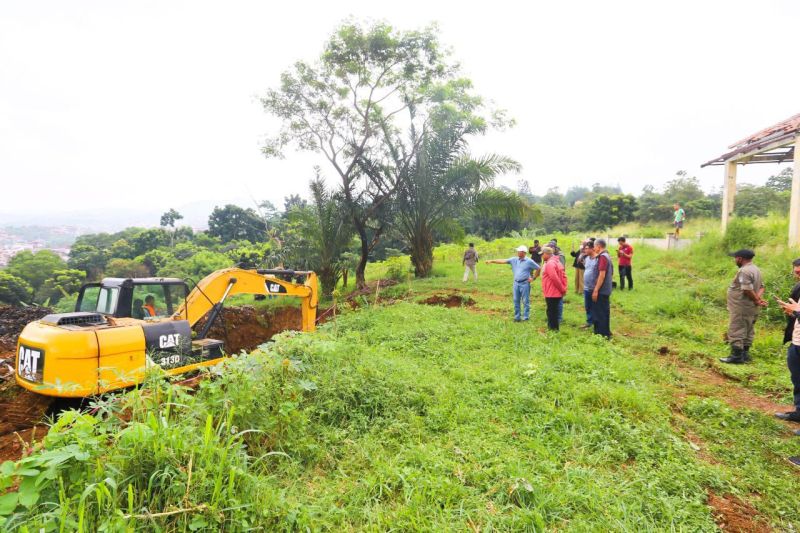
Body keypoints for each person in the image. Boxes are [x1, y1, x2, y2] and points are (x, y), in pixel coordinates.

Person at [719, 249, 767, 364]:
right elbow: (762, 287)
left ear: (740, 258)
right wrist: (758, 300)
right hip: (751, 308)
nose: (735, 260)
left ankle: (736, 357)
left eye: (735, 258)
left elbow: (747, 289)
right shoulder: (756, 269)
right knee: (748, 329)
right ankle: (745, 355)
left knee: (736, 329)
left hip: (741, 307)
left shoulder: (744, 271)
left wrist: (756, 300)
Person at [486, 245, 541, 322]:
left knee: (525, 301)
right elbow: (503, 261)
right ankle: (517, 317)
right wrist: (492, 261)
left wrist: (533, 278)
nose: (517, 252)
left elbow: (538, 268)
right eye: (518, 251)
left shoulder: (529, 261)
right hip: (516, 283)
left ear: (523, 252)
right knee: (516, 300)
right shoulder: (514, 260)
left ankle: (525, 317)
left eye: (519, 251)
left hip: (525, 283)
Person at [774, 259, 800, 423]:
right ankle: (799, 412)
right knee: (797, 379)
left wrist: (797, 312)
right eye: (796, 271)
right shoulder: (798, 288)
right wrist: (792, 313)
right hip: (796, 341)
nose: (797, 274)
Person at [588, 239, 614, 338]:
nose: (594, 249)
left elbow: (602, 275)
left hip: (601, 290)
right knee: (604, 311)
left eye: (594, 247)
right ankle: (606, 332)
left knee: (600, 312)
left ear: (598, 246)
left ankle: (601, 334)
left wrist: (596, 290)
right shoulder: (607, 255)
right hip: (606, 289)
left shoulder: (603, 257)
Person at [540, 246, 567, 330]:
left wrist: (562, 289)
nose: (541, 256)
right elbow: (564, 276)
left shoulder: (550, 264)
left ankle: (553, 330)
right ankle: (554, 328)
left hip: (552, 292)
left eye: (542, 254)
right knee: (554, 311)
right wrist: (563, 288)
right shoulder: (557, 262)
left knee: (551, 312)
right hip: (555, 291)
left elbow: (554, 278)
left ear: (546, 254)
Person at [581, 242, 597, 329]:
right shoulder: (587, 258)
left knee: (596, 306)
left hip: (594, 287)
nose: (585, 250)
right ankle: (589, 321)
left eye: (586, 248)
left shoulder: (598, 259)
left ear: (592, 248)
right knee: (588, 306)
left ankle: (596, 323)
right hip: (586, 287)